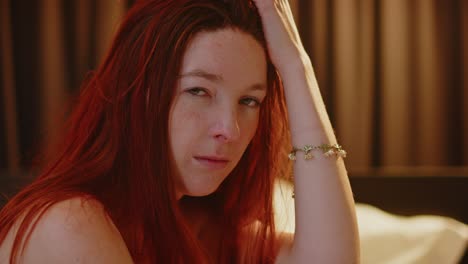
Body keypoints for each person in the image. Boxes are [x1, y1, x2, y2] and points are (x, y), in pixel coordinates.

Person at [0, 0, 360, 263]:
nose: (230, 130)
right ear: (136, 95)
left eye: (249, 101)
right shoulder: (69, 223)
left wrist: (297, 66)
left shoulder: (203, 232)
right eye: (198, 91)